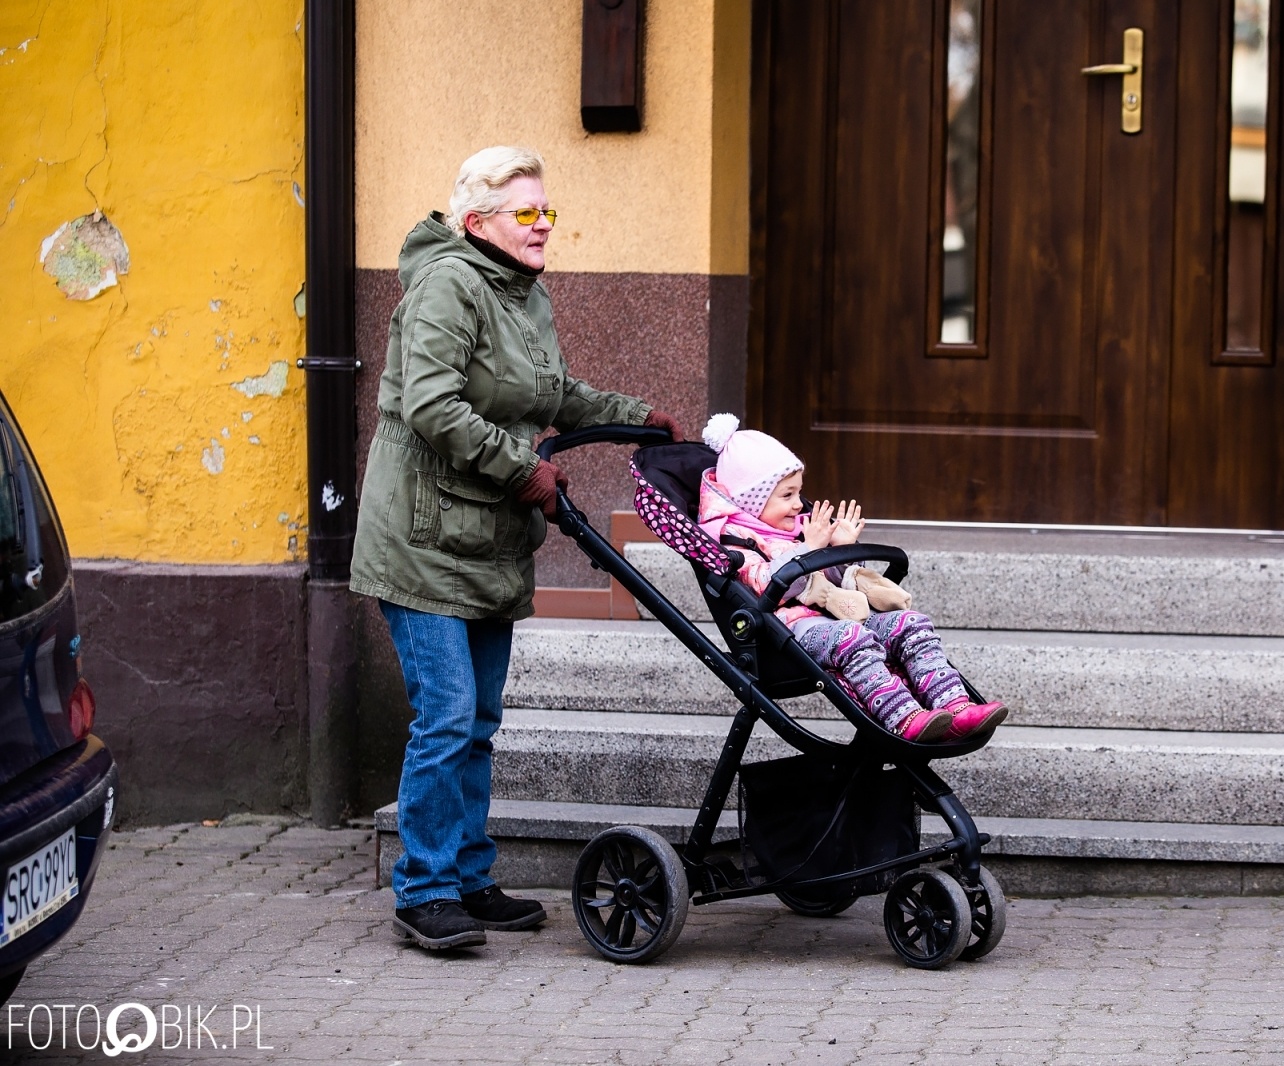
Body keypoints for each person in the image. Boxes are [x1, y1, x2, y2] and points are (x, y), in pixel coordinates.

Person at [349, 146, 684, 951]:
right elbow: (430, 404)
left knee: (481, 718)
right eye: (525, 213)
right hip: (422, 536)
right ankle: (423, 890)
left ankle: (467, 876)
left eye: (547, 211)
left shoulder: (523, 294)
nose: (542, 226)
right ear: (477, 223)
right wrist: (520, 468)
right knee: (448, 713)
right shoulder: (448, 285)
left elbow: (550, 394)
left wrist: (639, 416)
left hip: (490, 534)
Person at [696, 414, 1006, 743]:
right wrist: (808, 550)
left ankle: (955, 707)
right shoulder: (736, 541)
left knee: (909, 623)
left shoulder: (800, 527)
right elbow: (765, 587)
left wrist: (841, 550)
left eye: (799, 493)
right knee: (851, 637)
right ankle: (904, 718)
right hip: (792, 633)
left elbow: (835, 583)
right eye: (786, 496)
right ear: (752, 500)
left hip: (842, 618)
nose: (798, 504)